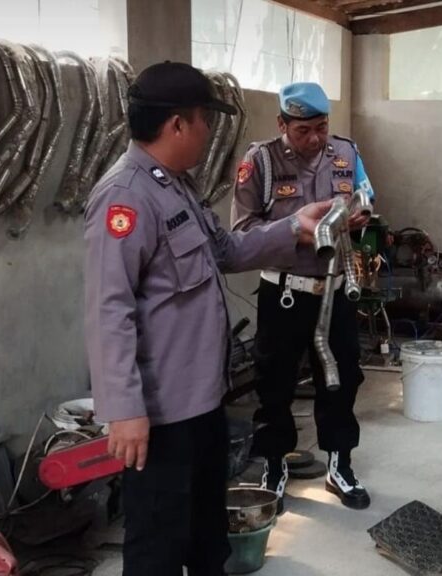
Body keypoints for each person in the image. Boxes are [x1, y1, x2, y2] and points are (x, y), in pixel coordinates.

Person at [84, 62, 332, 576]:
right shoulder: (125, 197)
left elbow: (228, 249)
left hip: (201, 402)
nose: (209, 132)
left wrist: (293, 227)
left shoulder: (175, 185)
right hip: (158, 415)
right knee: (157, 546)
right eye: (204, 120)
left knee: (205, 539)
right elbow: (110, 309)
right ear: (178, 124)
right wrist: (124, 410)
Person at [230, 82, 371, 511]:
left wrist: (360, 209)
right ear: (282, 124)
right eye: (303, 130)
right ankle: (274, 463)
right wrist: (296, 231)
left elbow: (365, 193)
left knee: (342, 377)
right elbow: (241, 233)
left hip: (336, 291)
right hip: (286, 292)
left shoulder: (345, 153)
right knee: (274, 382)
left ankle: (340, 464)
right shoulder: (261, 162)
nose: (314, 138)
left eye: (321, 127)